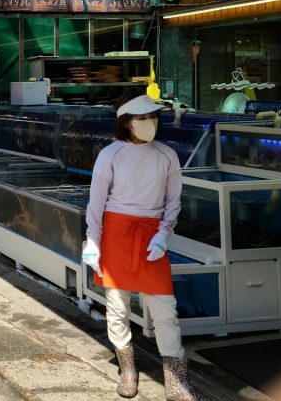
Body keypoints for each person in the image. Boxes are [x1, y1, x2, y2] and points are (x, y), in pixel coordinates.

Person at [83, 93, 198, 401]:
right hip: (116, 235)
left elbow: (173, 202)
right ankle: (128, 370)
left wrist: (164, 234)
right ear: (126, 122)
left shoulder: (167, 155)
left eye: (154, 118)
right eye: (143, 119)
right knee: (117, 307)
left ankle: (176, 382)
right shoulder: (109, 155)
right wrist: (92, 242)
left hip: (151, 235)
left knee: (164, 310)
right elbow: (96, 204)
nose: (151, 124)